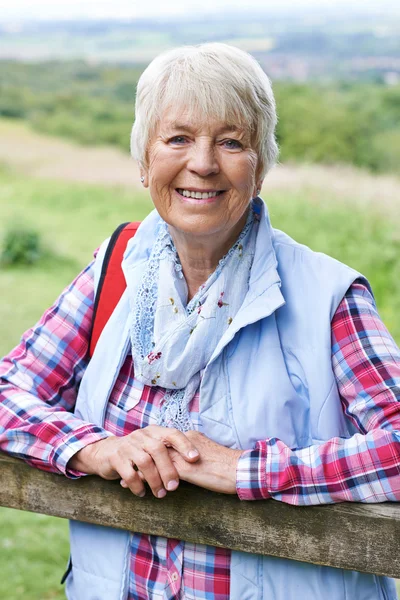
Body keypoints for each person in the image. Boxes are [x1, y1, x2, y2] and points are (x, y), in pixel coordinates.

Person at [0, 43, 399, 600]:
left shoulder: (327, 296)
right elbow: (7, 392)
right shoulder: (116, 267)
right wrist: (95, 449)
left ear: (260, 167)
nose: (204, 163)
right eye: (178, 138)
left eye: (231, 142)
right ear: (145, 161)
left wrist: (247, 471)